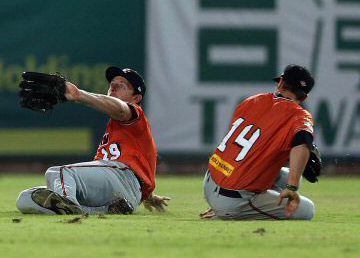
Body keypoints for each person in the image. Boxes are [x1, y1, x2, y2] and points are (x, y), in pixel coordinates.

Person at [16, 67, 169, 215]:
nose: (114, 86)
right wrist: (148, 195)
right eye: (112, 84)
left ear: (136, 98)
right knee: (27, 198)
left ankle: (70, 206)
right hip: (120, 192)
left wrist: (78, 94)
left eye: (122, 85)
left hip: (122, 179)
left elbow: (122, 110)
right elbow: (143, 162)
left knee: (58, 173)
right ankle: (104, 210)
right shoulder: (125, 131)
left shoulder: (135, 115)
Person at [202, 64, 316, 220]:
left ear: (280, 83)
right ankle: (224, 213)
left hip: (210, 182)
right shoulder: (299, 116)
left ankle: (219, 206)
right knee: (308, 210)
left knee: (286, 175)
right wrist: (292, 186)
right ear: (304, 97)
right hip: (234, 201)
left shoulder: (252, 100)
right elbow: (303, 142)